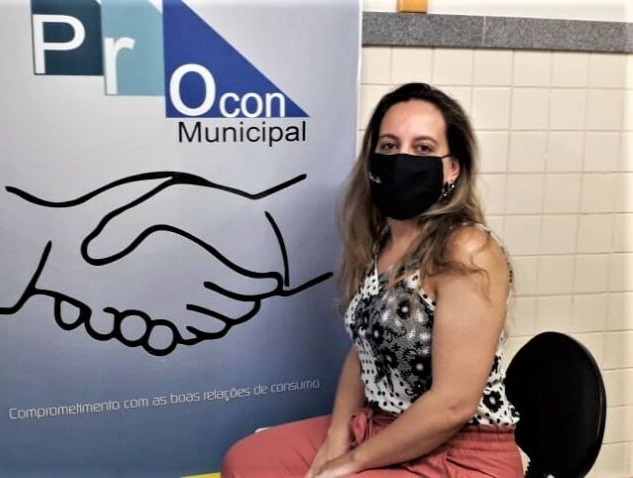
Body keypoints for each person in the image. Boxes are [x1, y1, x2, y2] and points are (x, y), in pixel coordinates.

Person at [220, 83, 523, 477]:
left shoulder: (467, 249)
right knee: (245, 462)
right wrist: (336, 437)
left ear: (453, 168)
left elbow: (453, 405)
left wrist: (351, 463)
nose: (402, 160)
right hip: (382, 424)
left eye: (423, 148)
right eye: (389, 146)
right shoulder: (381, 242)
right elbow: (364, 350)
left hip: (462, 451)